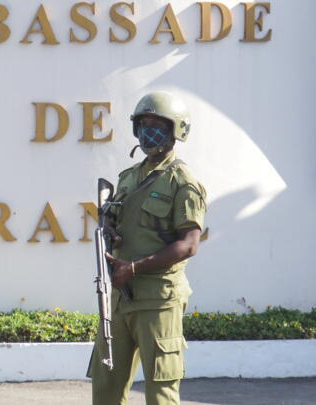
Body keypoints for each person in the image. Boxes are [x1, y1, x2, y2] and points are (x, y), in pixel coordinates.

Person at [88, 91, 207, 405]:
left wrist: (135, 268)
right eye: (143, 124)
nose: (148, 131)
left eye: (157, 125)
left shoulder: (182, 182)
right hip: (118, 298)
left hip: (158, 300)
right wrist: (108, 228)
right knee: (105, 387)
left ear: (175, 131)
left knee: (160, 392)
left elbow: (189, 243)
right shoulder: (127, 178)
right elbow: (112, 219)